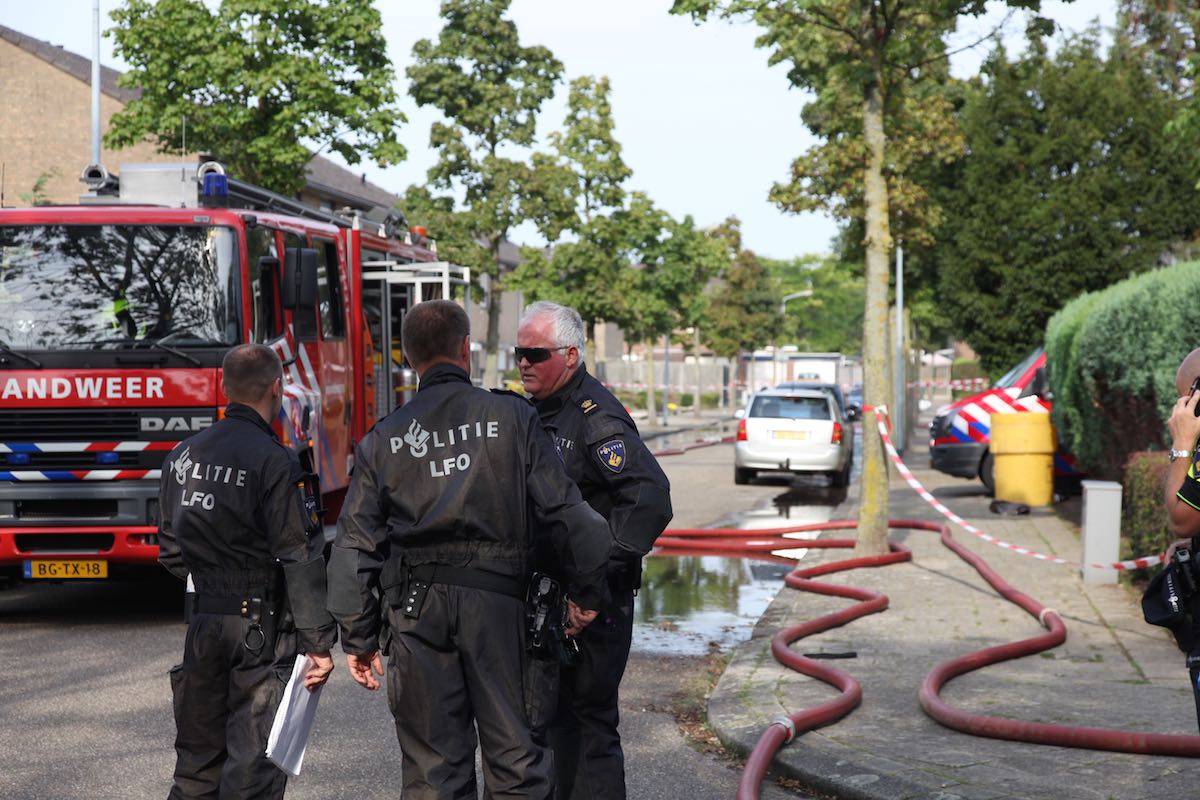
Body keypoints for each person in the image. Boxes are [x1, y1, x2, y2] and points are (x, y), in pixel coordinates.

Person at [326, 299, 611, 799]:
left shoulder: (383, 439)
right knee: (517, 762)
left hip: (415, 613)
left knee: (432, 771)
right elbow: (571, 515)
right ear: (465, 349)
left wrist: (358, 636)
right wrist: (587, 592)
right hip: (500, 610)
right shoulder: (513, 417)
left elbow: (353, 548)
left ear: (409, 357)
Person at [157, 343, 336, 799]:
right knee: (251, 773)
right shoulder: (277, 461)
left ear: (225, 387)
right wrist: (318, 643)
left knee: (195, 768)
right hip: (260, 626)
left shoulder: (182, 456)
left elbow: (171, 550)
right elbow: (300, 555)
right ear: (277, 388)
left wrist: (213, 580)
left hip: (203, 623)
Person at [517, 300, 674, 800]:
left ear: (570, 355)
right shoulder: (538, 411)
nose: (523, 362)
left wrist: (597, 581)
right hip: (552, 599)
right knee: (551, 725)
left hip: (592, 606)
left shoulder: (594, 416)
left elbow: (649, 498)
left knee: (588, 727)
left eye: (535, 354)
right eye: (519, 352)